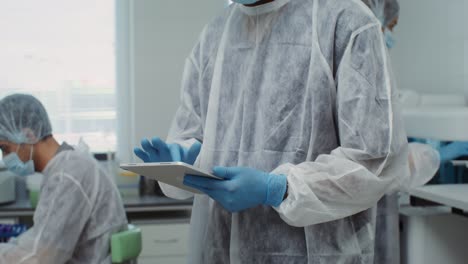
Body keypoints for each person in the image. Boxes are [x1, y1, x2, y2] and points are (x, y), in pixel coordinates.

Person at [135, 0, 411, 262]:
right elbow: (194, 129)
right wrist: (182, 160)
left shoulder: (347, 22)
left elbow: (373, 162)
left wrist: (278, 188)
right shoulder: (214, 36)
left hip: (318, 252)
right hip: (220, 249)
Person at [0, 94, 127, 263]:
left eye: (5, 148)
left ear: (29, 135)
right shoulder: (67, 167)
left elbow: (41, 258)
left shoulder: (68, 175)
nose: (5, 157)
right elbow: (43, 239)